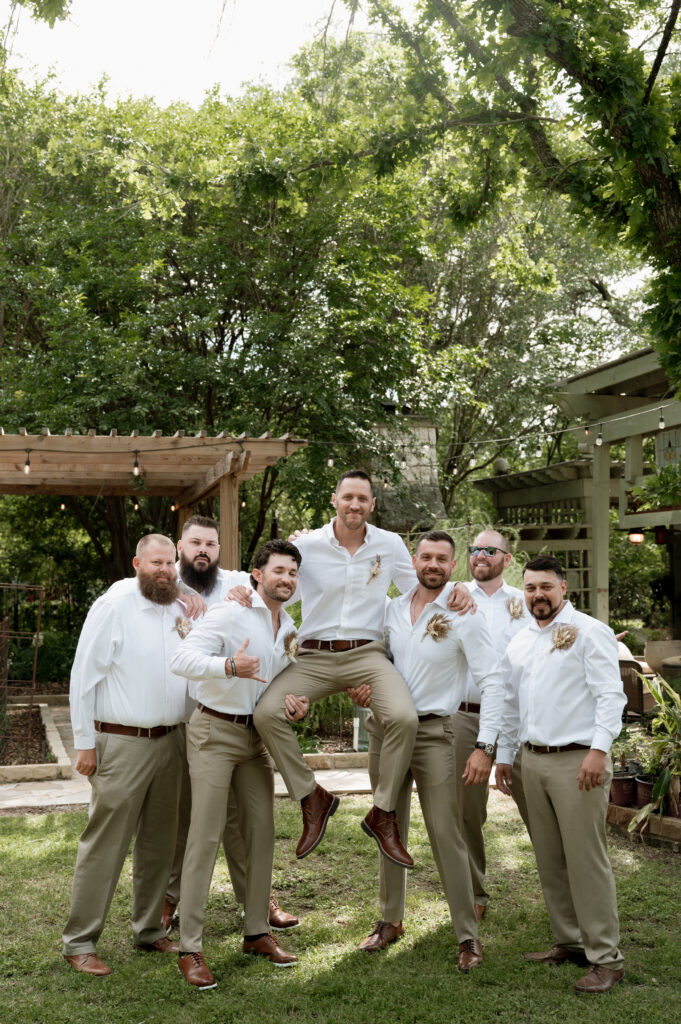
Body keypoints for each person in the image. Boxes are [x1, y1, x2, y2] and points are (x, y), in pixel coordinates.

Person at [250, 470, 474, 868]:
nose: (355, 504)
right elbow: (278, 586)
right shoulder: (309, 545)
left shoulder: (388, 544)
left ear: (372, 505)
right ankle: (311, 797)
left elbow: (419, 585)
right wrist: (241, 588)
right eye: (348, 496)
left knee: (403, 718)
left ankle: (383, 813)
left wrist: (460, 587)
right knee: (266, 714)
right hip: (315, 656)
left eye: (363, 499)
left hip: (367, 655)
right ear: (334, 499)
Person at [354, 531, 504, 971]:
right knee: (388, 824)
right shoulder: (390, 610)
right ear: (414, 560)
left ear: (452, 566)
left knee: (446, 831)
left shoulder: (465, 615)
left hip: (435, 734)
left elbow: (493, 682)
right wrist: (362, 689)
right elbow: (370, 662)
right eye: (426, 556)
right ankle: (389, 920)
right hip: (384, 731)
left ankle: (467, 935)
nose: (433, 564)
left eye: (442, 558)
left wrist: (485, 746)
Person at [170, 539, 307, 989]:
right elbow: (181, 659)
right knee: (205, 837)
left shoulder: (288, 626)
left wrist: (294, 701)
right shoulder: (230, 612)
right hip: (214, 731)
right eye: (278, 571)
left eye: (292, 572)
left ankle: (256, 933)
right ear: (257, 574)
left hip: (257, 737)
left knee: (261, 834)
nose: (285, 578)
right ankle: (190, 947)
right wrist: (230, 666)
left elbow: (283, 681)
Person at [495, 555, 627, 995]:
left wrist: (598, 750)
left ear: (564, 587)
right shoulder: (520, 641)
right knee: (550, 859)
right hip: (531, 761)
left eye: (546, 587)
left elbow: (611, 696)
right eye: (530, 588)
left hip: (578, 763)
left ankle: (606, 958)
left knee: (586, 861)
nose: (538, 595)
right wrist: (505, 756)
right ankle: (569, 941)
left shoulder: (591, 631)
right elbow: (512, 705)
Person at [62, 534, 188, 976]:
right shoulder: (113, 605)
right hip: (122, 743)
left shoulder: (180, 608)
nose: (164, 570)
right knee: (106, 844)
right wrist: (84, 743)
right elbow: (83, 677)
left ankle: (150, 929)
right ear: (137, 562)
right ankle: (80, 942)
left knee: (160, 842)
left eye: (170, 563)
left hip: (172, 742)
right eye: (156, 562)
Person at [453, 529, 531, 922]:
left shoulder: (524, 600)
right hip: (468, 716)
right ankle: (473, 894)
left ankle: (567, 895)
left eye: (490, 550)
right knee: (466, 809)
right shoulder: (452, 596)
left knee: (537, 805)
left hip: (519, 719)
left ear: (507, 558)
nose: (481, 555)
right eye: (475, 549)